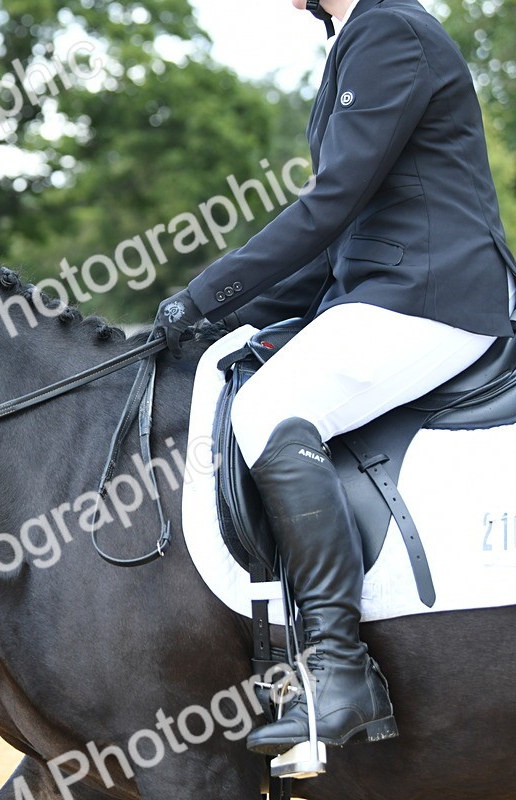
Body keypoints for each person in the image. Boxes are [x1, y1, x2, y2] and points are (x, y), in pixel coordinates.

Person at [151, 0, 516, 756]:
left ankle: (341, 672)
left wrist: (207, 290)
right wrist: (219, 315)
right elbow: (339, 238)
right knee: (243, 372)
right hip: (388, 289)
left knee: (272, 408)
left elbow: (331, 202)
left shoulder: (390, 30)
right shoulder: (359, 39)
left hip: (433, 294)